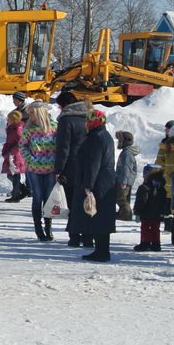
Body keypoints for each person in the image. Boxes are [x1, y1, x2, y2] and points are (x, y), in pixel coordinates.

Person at [73, 109, 117, 262]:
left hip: (99, 182)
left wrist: (88, 184)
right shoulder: (105, 135)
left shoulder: (96, 138)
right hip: (106, 180)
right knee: (102, 217)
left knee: (98, 216)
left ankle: (101, 251)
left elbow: (94, 162)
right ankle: (102, 249)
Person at [54, 92, 91, 247]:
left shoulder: (66, 120)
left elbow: (63, 147)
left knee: (72, 203)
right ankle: (88, 236)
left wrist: (58, 169)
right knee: (86, 202)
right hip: (88, 166)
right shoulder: (88, 117)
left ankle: (75, 236)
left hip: (71, 167)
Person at [19, 102, 57, 241]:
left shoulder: (54, 127)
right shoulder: (29, 129)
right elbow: (22, 146)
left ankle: (48, 227)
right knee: (37, 198)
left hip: (50, 168)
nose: (30, 116)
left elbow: (60, 146)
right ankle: (38, 228)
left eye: (32, 113)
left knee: (48, 199)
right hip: (34, 169)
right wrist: (30, 158)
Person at [133, 164, 166, 252]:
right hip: (157, 213)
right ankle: (156, 244)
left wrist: (137, 211)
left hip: (146, 212)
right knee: (155, 228)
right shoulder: (161, 188)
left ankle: (145, 243)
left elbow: (141, 201)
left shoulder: (144, 187)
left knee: (145, 227)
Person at [1, 110, 26, 203]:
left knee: (14, 175)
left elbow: (20, 142)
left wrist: (12, 151)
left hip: (15, 154)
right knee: (11, 175)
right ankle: (23, 190)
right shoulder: (11, 128)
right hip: (11, 153)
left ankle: (16, 195)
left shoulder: (17, 128)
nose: (7, 120)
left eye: (9, 118)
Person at [114, 131, 139, 221]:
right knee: (123, 197)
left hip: (124, 181)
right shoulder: (126, 152)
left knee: (121, 198)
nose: (118, 142)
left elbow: (126, 168)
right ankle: (124, 213)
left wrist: (124, 181)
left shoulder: (126, 154)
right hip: (124, 180)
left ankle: (126, 214)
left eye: (120, 140)